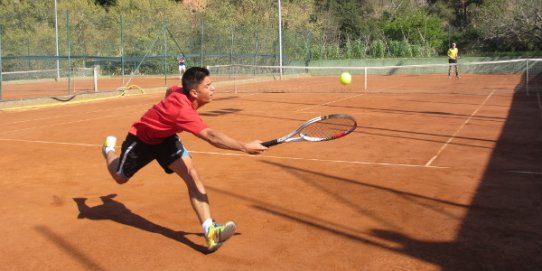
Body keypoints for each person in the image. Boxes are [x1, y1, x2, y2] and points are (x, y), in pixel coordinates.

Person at [101, 67, 267, 252]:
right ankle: (108, 150)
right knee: (120, 177)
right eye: (208, 85)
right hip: (141, 139)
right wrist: (245, 146)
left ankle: (210, 231)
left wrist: (165, 115)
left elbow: (171, 90)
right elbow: (211, 136)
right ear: (194, 92)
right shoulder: (182, 111)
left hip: (166, 139)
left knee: (191, 174)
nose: (213, 89)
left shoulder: (180, 92)